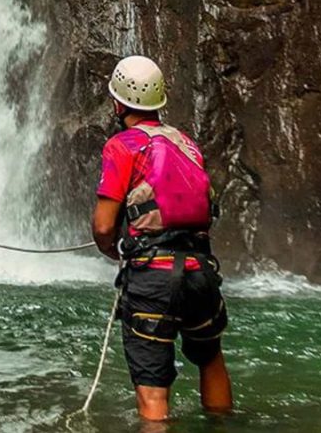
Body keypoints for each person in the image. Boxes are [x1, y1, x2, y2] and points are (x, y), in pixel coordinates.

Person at [92, 55, 233, 422]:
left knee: (153, 394)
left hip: (153, 278)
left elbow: (105, 226)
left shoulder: (121, 146)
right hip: (199, 271)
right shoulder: (187, 144)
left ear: (118, 102)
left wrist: (115, 251)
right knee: (211, 359)